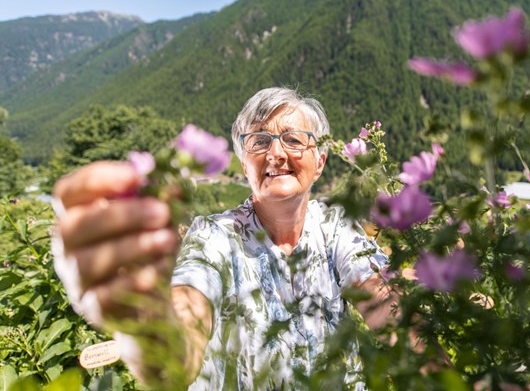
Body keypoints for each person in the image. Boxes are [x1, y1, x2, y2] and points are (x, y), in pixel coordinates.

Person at [52, 87, 393, 390]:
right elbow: (184, 330)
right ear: (245, 165)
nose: (276, 153)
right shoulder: (214, 237)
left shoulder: (336, 227)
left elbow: (392, 310)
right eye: (258, 141)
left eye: (293, 138)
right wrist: (146, 318)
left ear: (319, 162)